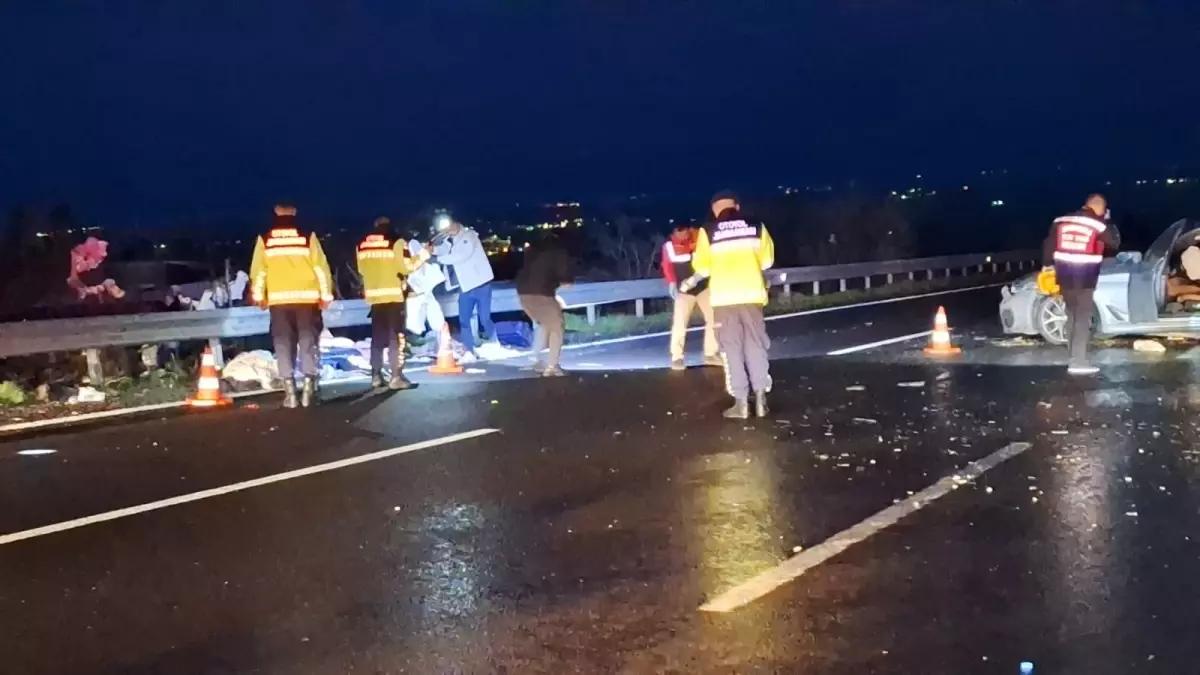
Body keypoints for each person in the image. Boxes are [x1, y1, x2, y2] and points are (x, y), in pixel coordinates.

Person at [681, 191, 775, 419]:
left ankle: (741, 404)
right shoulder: (757, 226)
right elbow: (767, 261)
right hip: (752, 295)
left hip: (724, 298)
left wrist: (688, 283)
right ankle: (761, 400)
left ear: (714, 210)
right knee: (755, 345)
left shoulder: (708, 231)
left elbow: (702, 267)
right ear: (737, 207)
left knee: (731, 348)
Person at [249, 204, 334, 408]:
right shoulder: (307, 237)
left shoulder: (265, 239)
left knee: (283, 345)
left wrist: (260, 296)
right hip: (307, 301)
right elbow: (321, 269)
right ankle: (308, 392)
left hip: (279, 303)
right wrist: (326, 295)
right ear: (295, 213)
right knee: (308, 343)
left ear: (276, 213)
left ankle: (290, 395)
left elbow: (259, 272)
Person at [1042, 194, 1120, 375]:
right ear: (1099, 208)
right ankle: (1078, 362)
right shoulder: (1098, 225)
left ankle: (1072, 355)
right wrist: (1107, 221)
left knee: (1071, 315)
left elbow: (1048, 245)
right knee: (1082, 319)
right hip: (1085, 277)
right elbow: (1114, 242)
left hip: (1064, 276)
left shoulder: (1060, 221)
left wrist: (1047, 265)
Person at [356, 217, 431, 390]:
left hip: (375, 298)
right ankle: (396, 376)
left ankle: (375, 375)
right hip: (394, 297)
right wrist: (424, 254)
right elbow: (407, 267)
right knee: (396, 339)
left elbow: (361, 269)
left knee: (377, 338)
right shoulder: (396, 242)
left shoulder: (362, 244)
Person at [432, 219, 495, 361]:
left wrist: (438, 260)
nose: (447, 232)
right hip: (465, 287)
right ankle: (469, 350)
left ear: (456, 225)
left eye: (448, 228)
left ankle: (494, 343)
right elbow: (442, 250)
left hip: (481, 284)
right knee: (464, 320)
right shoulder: (450, 240)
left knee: (485, 318)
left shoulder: (469, 236)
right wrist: (431, 250)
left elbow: (460, 256)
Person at [662, 223, 720, 370]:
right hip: (684, 290)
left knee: (714, 319)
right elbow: (667, 266)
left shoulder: (699, 238)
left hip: (703, 287)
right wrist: (671, 283)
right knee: (680, 323)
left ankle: (710, 354)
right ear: (674, 232)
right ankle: (677, 357)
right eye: (680, 231)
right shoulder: (669, 246)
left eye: (686, 229)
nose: (684, 233)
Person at [516, 233, 573, 377]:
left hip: (523, 294)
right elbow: (564, 279)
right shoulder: (560, 252)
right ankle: (552, 366)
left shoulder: (533, 250)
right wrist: (566, 281)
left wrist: (553, 296)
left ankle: (535, 359)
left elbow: (533, 274)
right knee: (556, 327)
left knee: (546, 325)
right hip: (541, 295)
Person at [405, 239, 447, 337]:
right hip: (416, 298)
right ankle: (416, 337)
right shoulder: (410, 269)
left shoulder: (429, 268)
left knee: (436, 319)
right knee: (414, 322)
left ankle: (439, 337)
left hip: (425, 296)